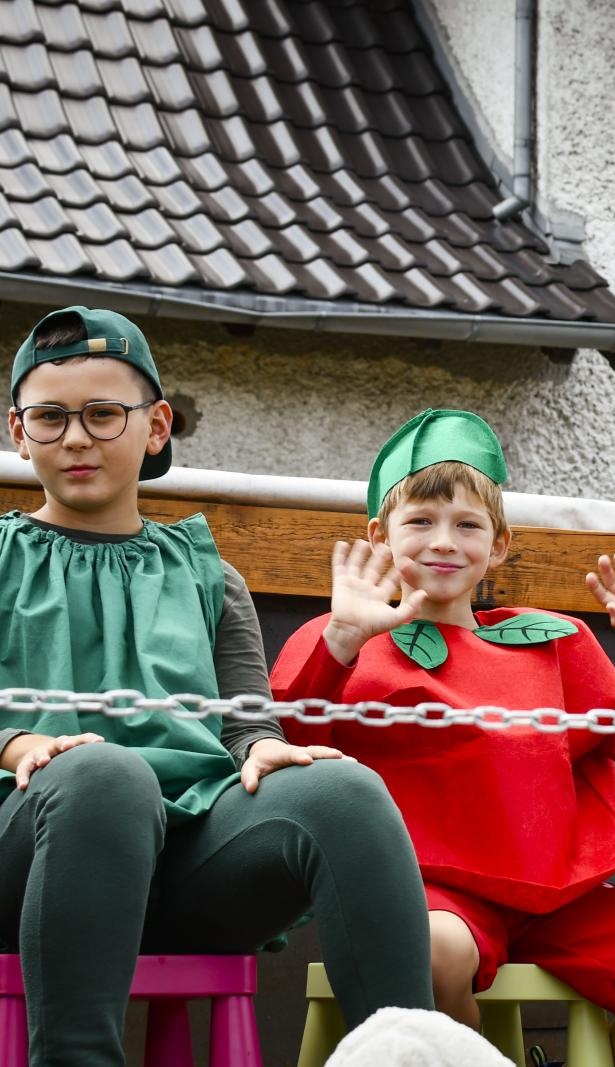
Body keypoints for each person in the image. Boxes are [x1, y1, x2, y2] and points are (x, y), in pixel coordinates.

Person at [0, 306, 432, 1067]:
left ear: (157, 425)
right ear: (17, 430)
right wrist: (19, 742)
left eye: (104, 414)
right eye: (50, 417)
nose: (75, 437)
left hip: (185, 868)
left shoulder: (208, 575)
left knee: (345, 790)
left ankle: (409, 1056)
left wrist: (262, 744)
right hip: (32, 860)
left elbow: (244, 720)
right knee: (106, 772)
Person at [271, 409, 615, 1067]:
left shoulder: (555, 638)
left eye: (467, 524)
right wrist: (343, 643)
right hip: (433, 895)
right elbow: (289, 747)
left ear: (498, 543)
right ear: (378, 535)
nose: (444, 540)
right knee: (436, 950)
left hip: (562, 900)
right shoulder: (339, 638)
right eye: (419, 521)